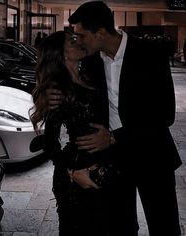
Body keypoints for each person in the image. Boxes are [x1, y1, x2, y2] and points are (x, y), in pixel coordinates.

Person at [48, 1, 182, 235]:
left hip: (153, 155)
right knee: (122, 226)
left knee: (164, 226)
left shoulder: (150, 54)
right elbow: (63, 74)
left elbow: (165, 114)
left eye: (81, 35)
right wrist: (50, 92)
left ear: (99, 33)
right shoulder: (89, 61)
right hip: (113, 162)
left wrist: (113, 137)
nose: (78, 41)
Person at [30, 30, 116, 236]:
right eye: (72, 42)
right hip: (76, 175)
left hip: (101, 163)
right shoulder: (57, 90)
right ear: (61, 54)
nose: (79, 43)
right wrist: (72, 172)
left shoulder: (88, 75)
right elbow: (50, 143)